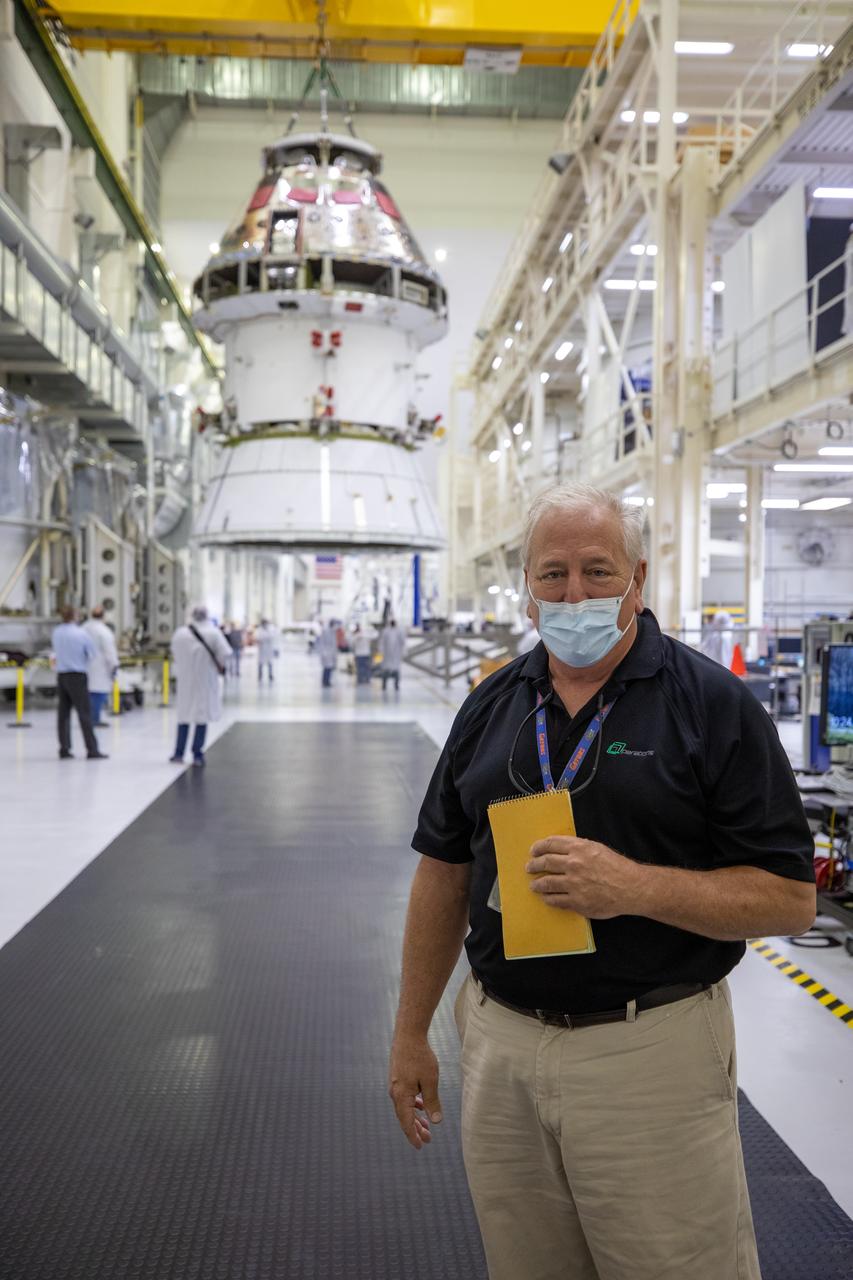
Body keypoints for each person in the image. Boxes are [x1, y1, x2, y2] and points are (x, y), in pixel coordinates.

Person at [389, 482, 815, 1280]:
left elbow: (789, 897)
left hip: (647, 1049)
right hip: (502, 1043)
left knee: (676, 1264)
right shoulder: (490, 706)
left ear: (638, 579)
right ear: (526, 590)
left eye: (597, 571)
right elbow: (443, 870)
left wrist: (634, 887)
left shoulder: (710, 705)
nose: (573, 593)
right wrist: (411, 1031)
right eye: (552, 575)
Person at [169, 605, 232, 767]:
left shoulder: (180, 633)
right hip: (205, 679)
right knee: (201, 716)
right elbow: (225, 654)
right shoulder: (214, 633)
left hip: (185, 680)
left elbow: (174, 652)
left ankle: (178, 753)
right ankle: (197, 754)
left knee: (183, 716)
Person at [51, 605, 106, 760]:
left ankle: (64, 749)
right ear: (75, 616)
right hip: (77, 675)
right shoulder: (81, 634)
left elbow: (55, 652)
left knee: (63, 714)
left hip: (62, 676)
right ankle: (92, 749)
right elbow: (92, 654)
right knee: (84, 714)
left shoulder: (57, 632)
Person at [83, 605, 119, 727]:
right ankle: (95, 719)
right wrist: (114, 665)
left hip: (85, 666)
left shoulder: (84, 628)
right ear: (103, 615)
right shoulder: (104, 631)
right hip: (100, 667)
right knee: (99, 694)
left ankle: (89, 718)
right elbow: (110, 651)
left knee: (89, 694)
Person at [379, 618, 406, 692]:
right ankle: (384, 685)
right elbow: (382, 642)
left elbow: (403, 642)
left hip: (396, 654)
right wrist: (381, 651)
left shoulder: (399, 631)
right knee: (385, 670)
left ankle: (396, 685)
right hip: (386, 654)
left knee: (396, 670)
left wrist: (403, 651)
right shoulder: (386, 631)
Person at [256, 618, 279, 683]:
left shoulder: (271, 629)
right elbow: (258, 638)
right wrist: (265, 637)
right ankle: (260, 675)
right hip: (262, 649)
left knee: (270, 663)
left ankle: (270, 675)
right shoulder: (259, 630)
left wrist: (265, 637)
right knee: (260, 664)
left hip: (269, 649)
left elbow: (273, 636)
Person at [316, 619, 338, 688]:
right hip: (326, 652)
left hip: (331, 653)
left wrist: (335, 654)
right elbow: (321, 643)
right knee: (326, 668)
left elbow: (334, 644)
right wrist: (323, 652)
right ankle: (325, 682)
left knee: (330, 668)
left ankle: (327, 681)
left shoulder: (333, 632)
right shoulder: (325, 631)